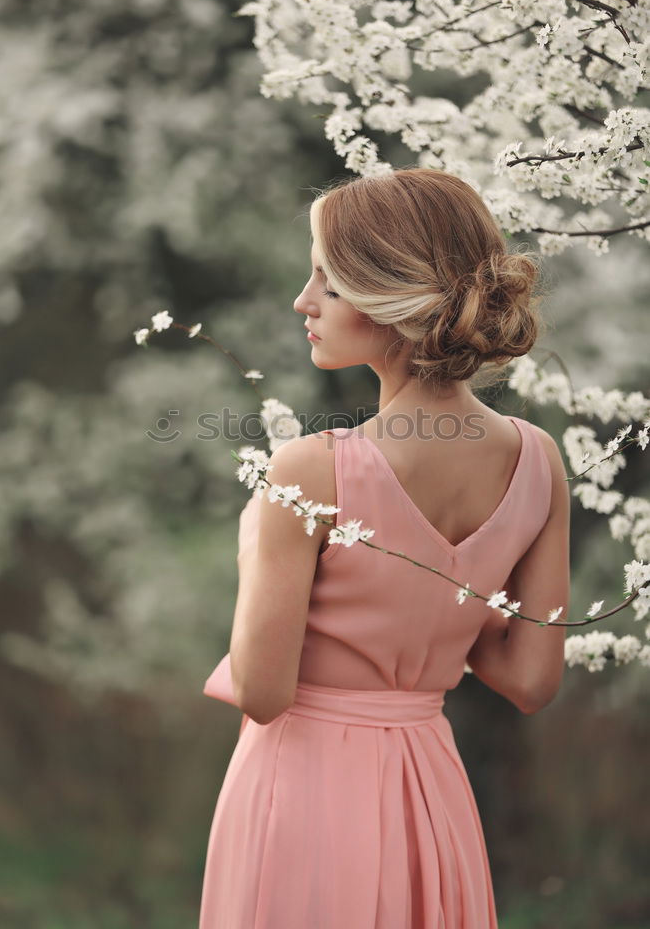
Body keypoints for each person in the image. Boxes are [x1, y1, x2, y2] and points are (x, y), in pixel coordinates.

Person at [197, 168, 571, 928]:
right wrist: (428, 612)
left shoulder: (310, 470)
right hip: (428, 791)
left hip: (300, 791)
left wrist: (253, 546)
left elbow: (264, 691)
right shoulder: (538, 462)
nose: (302, 302)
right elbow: (528, 678)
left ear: (392, 299)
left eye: (326, 283)